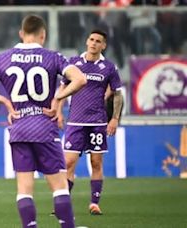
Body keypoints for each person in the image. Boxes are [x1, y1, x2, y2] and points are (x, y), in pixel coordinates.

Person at [0, 15, 86, 228]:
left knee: (24, 188)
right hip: (44, 127)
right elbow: (80, 79)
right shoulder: (52, 57)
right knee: (59, 186)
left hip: (19, 128)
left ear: (21, 33)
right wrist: (58, 98)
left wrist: (3, 99)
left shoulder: (1, 58)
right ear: (43, 34)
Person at [57, 29, 123, 216]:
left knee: (96, 162)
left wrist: (115, 118)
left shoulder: (109, 67)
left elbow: (117, 94)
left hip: (97, 121)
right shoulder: (74, 63)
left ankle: (94, 203)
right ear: (87, 41)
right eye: (91, 39)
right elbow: (63, 87)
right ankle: (63, 205)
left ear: (104, 45)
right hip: (75, 121)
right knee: (68, 163)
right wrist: (59, 112)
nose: (94, 43)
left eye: (98, 41)